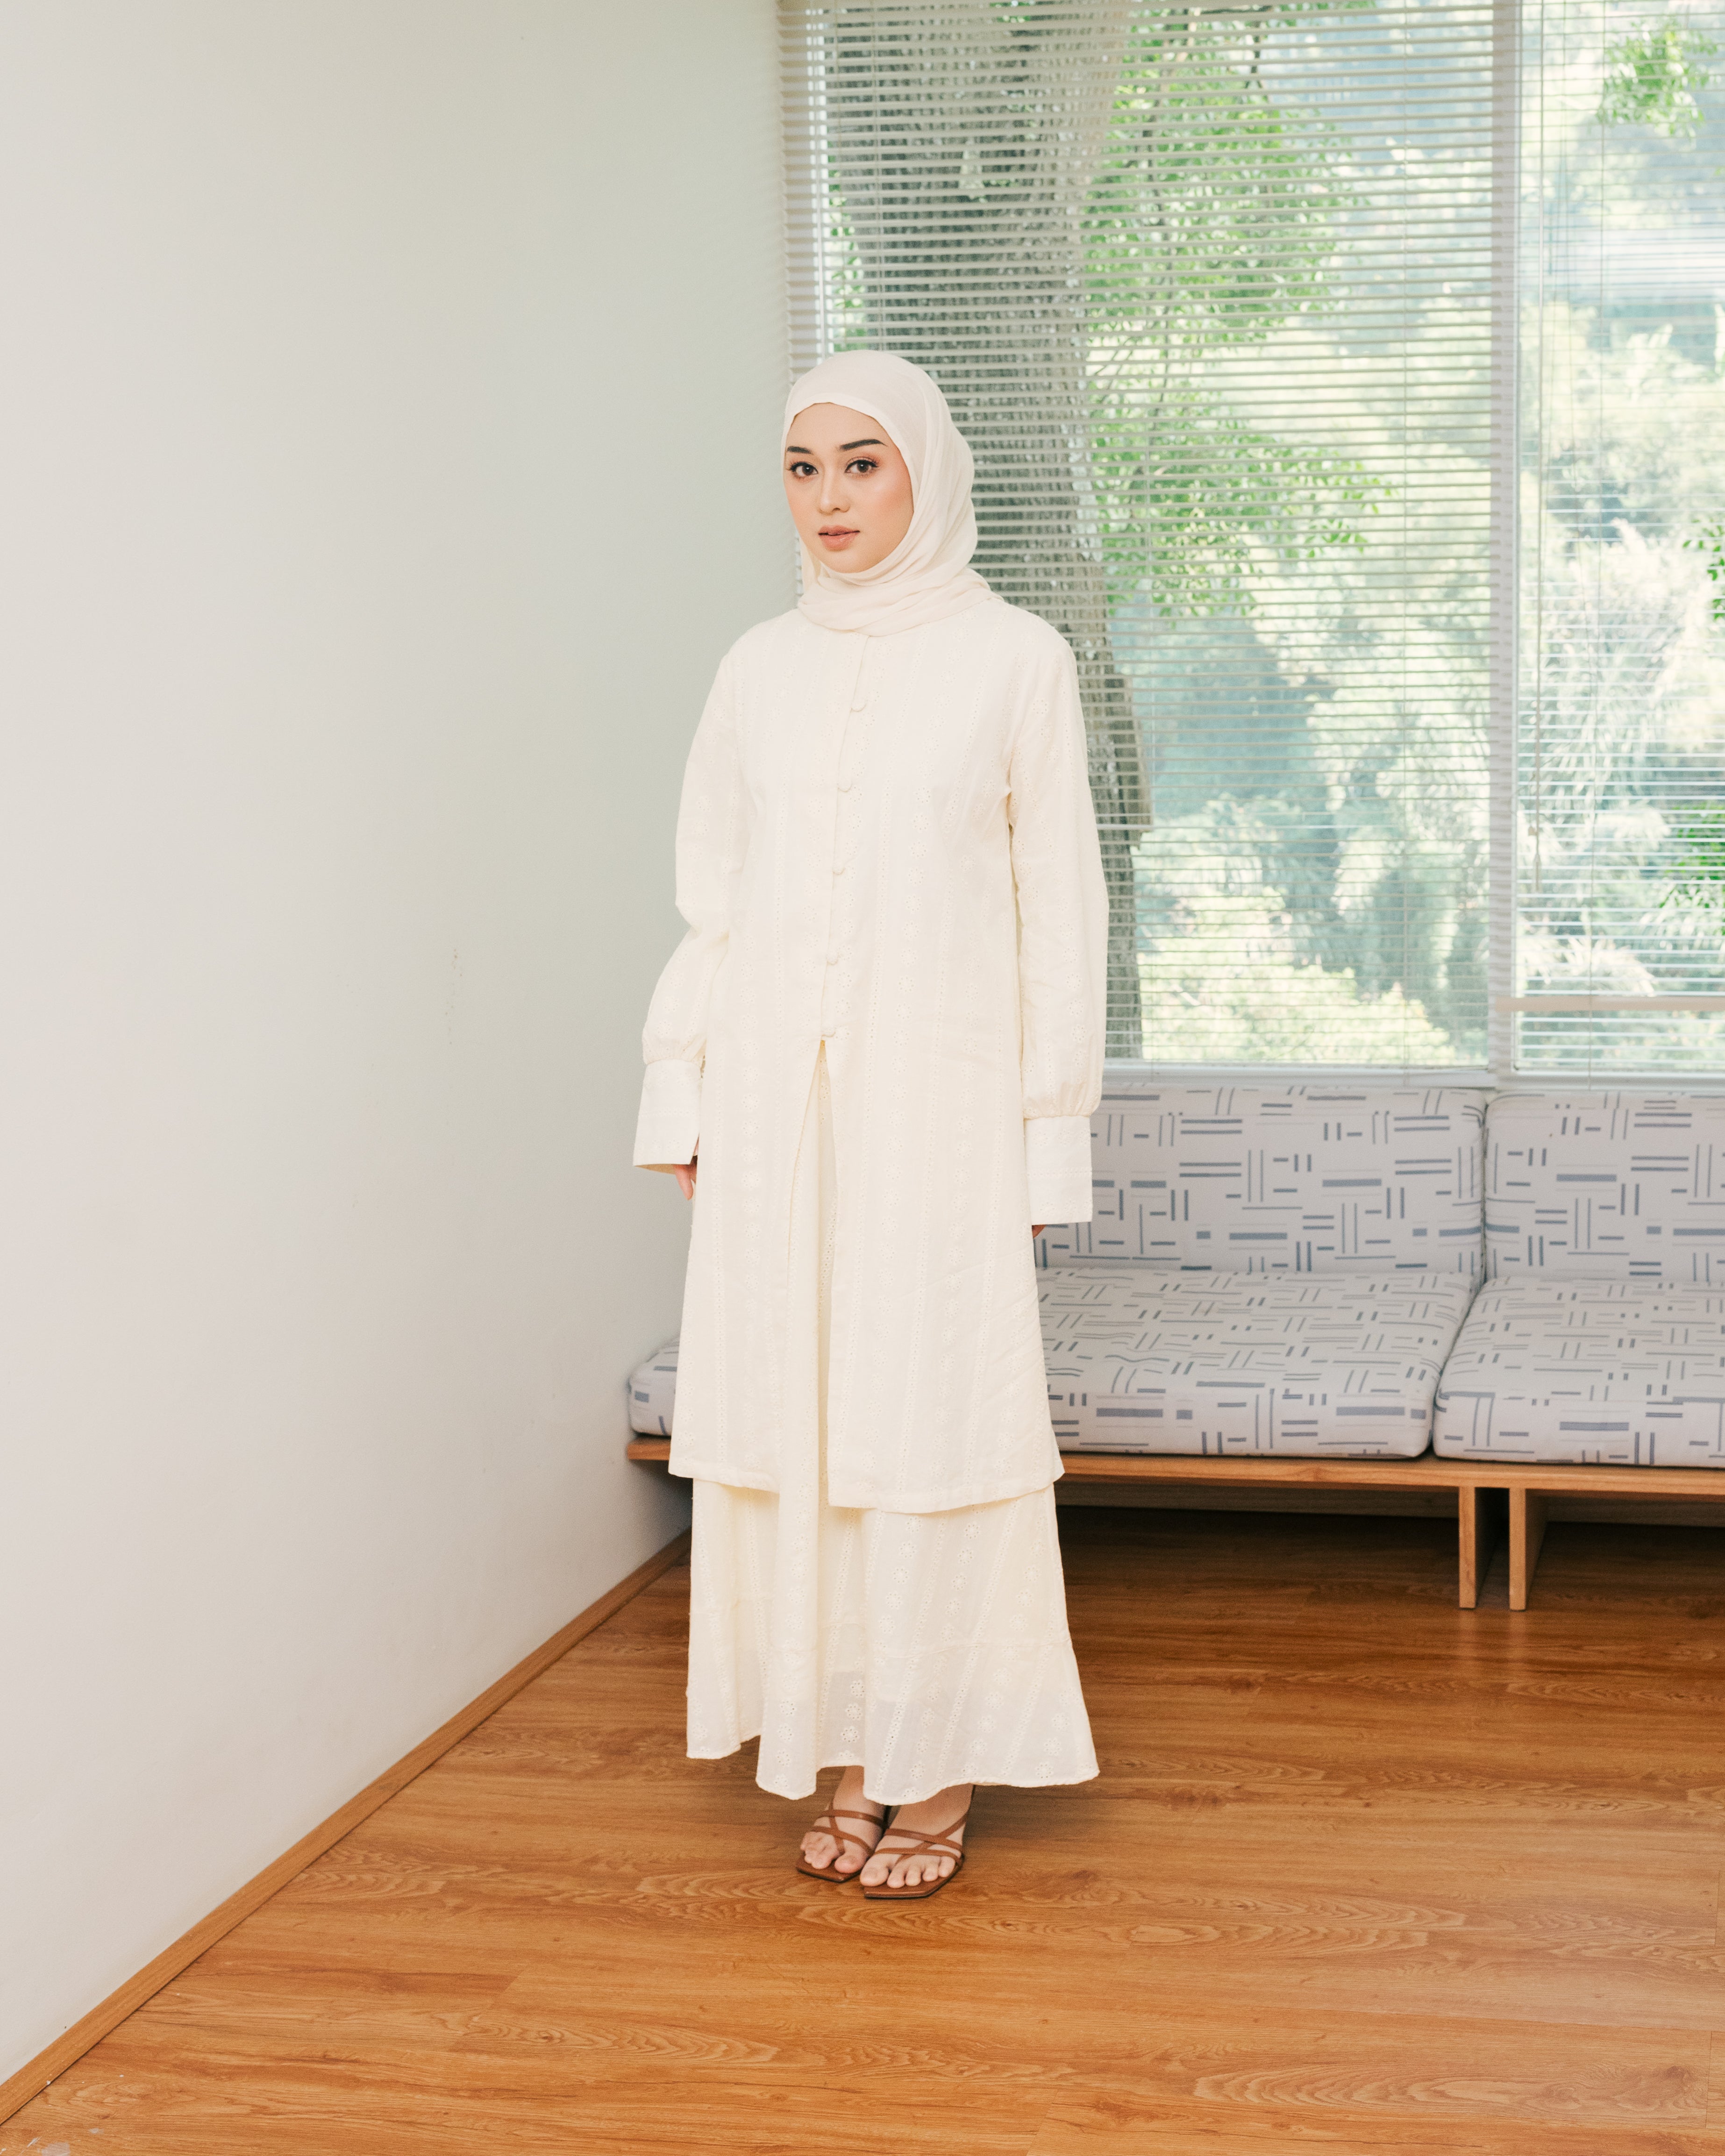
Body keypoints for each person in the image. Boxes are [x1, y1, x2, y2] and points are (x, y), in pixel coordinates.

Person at [633, 350, 1106, 1900]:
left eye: (862, 464)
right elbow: (716, 901)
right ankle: (838, 1755)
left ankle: (939, 1765)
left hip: (941, 1109)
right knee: (799, 1425)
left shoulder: (1014, 659)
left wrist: (1045, 1138)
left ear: (927, 475)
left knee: (931, 1418)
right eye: (801, 466)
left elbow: (1063, 918)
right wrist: (687, 1093)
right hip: (776, 1109)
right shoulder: (754, 665)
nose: (828, 498)